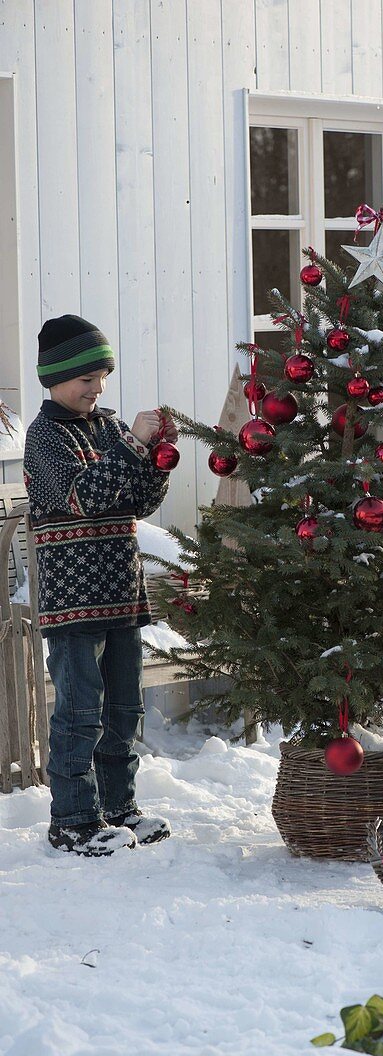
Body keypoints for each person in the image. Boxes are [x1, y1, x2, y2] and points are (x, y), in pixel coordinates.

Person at [24, 315, 178, 856]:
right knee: (80, 710)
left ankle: (118, 808)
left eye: (102, 380)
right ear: (53, 379)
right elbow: (86, 495)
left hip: (121, 590)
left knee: (123, 708)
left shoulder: (108, 427)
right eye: (85, 380)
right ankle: (72, 818)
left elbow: (134, 501)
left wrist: (155, 460)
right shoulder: (44, 437)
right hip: (74, 601)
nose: (95, 390)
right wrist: (134, 445)